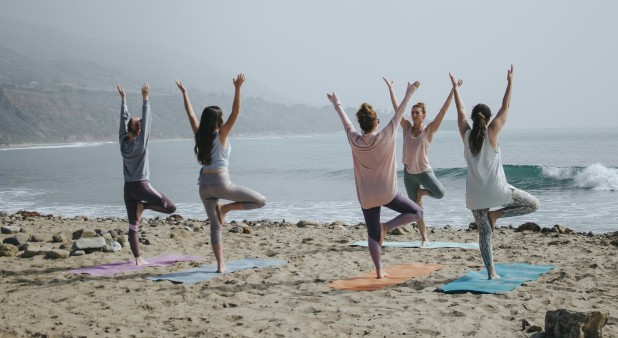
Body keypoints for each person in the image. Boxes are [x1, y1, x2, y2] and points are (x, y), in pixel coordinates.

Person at [327, 80, 424, 279]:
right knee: (417, 212)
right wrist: (410, 91)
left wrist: (336, 103)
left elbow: (345, 122)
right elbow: (400, 112)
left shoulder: (354, 139)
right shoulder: (386, 135)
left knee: (372, 234)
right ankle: (387, 227)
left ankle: (379, 272)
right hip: (387, 192)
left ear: (362, 124)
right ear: (376, 122)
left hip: (366, 196)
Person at [450, 65, 539, 279]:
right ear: (488, 119)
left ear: (473, 119)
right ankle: (497, 214)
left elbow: (460, 112)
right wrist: (510, 82)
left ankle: (491, 272)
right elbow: (506, 105)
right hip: (498, 191)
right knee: (533, 204)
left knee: (484, 234)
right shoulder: (493, 132)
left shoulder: (466, 135)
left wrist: (456, 89)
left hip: (475, 196)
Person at [176, 74, 266, 273]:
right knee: (260, 201)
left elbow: (190, 115)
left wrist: (185, 93)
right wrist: (237, 88)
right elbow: (236, 112)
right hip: (220, 183)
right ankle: (226, 209)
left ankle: (221, 266)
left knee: (215, 227)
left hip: (203, 187)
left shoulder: (200, 135)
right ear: (219, 120)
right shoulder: (221, 135)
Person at [383, 77, 463, 246]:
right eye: (412, 112)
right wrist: (391, 88)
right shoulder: (405, 127)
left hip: (425, 173)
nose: (413, 115)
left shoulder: (429, 130)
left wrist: (453, 90)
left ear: (423, 115)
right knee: (417, 211)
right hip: (409, 175)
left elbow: (443, 110)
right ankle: (424, 238)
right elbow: (398, 109)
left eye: (417, 112)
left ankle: (423, 193)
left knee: (440, 193)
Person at [117, 83, 177, 266]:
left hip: (128, 189)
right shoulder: (141, 143)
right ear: (140, 130)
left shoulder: (122, 141)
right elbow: (147, 119)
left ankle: (138, 259)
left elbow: (123, 120)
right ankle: (144, 207)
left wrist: (124, 100)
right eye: (139, 122)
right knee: (170, 208)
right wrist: (145, 98)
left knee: (133, 226)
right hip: (142, 186)